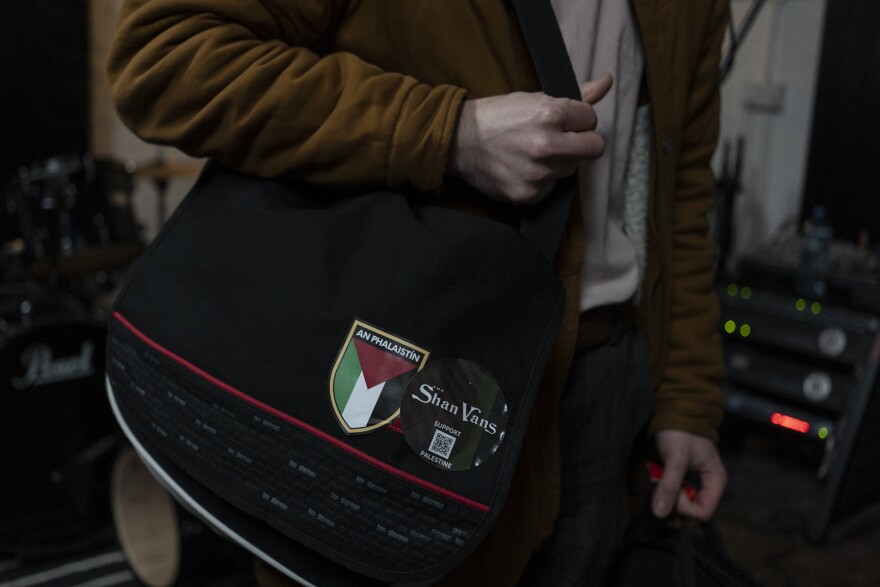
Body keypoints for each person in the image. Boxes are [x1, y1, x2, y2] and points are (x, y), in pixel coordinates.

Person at [107, 1, 729, 585]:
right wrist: (448, 132)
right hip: (411, 353)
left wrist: (688, 393)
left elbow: (682, 187)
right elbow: (166, 55)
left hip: (606, 380)